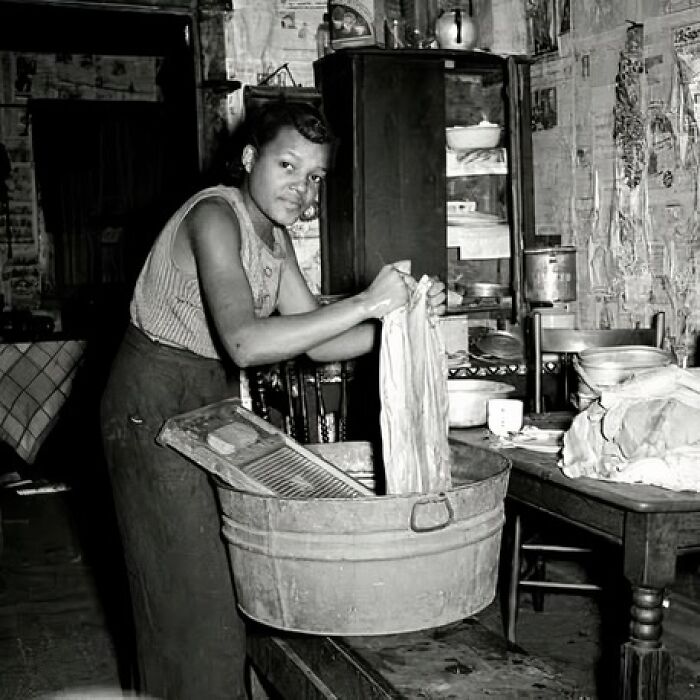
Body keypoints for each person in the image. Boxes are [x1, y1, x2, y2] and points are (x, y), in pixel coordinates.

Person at [100, 98, 446, 700]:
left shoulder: (275, 236)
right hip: (147, 402)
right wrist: (367, 302)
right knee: (187, 596)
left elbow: (316, 341)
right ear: (248, 158)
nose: (302, 189)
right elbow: (243, 341)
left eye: (314, 175)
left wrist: (403, 321)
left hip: (205, 400)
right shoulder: (214, 216)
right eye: (287, 166)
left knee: (233, 572)